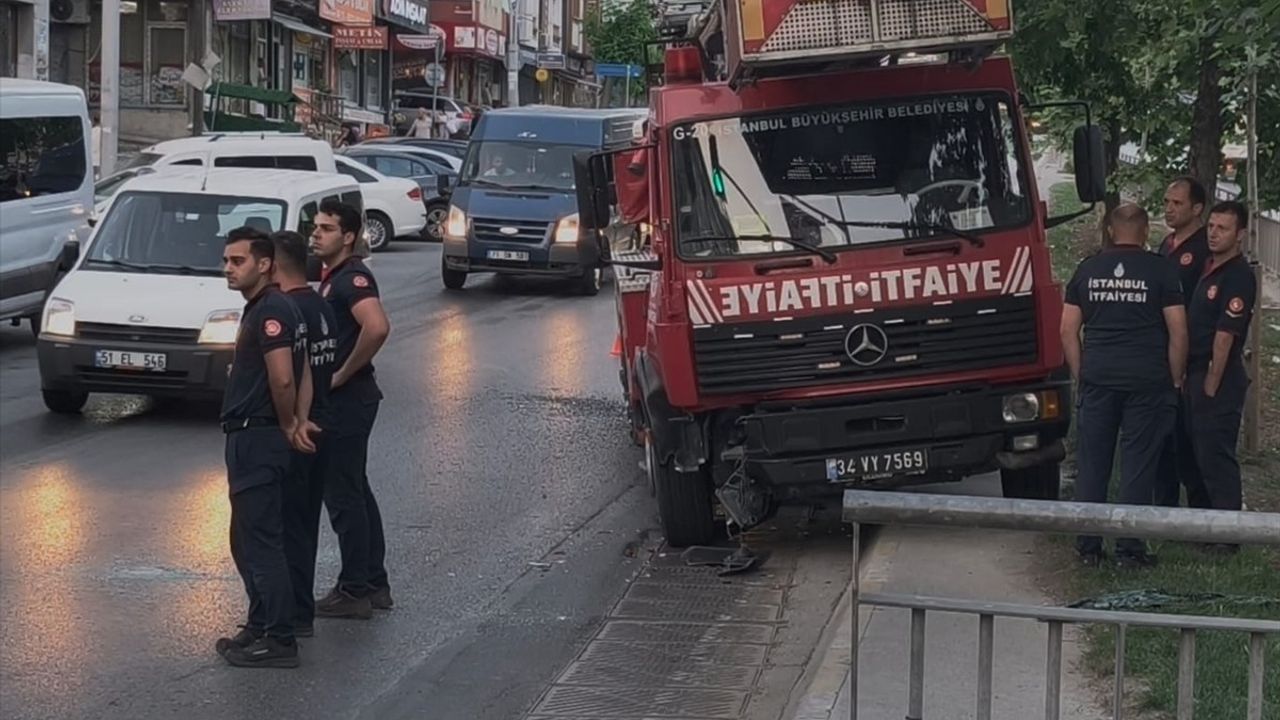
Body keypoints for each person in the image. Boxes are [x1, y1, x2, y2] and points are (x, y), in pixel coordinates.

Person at [1060, 203, 1187, 568]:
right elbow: (1178, 331)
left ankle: (1088, 548)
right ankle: (1129, 551)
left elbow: (1067, 330)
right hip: (1147, 382)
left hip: (1099, 379)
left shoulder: (1088, 270)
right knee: (1137, 464)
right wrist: (1175, 377)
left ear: (1111, 231)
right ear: (1146, 231)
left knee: (1093, 463)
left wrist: (1082, 373)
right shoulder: (1161, 271)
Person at [216, 226, 308, 668]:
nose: (228, 269)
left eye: (238, 261)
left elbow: (285, 376)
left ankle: (280, 639)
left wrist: (290, 422)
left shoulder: (271, 310)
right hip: (250, 435)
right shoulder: (266, 308)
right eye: (227, 261)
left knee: (261, 542)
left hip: (257, 437)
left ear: (264, 264)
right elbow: (302, 372)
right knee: (244, 539)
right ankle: (259, 623)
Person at [309, 200, 392, 618]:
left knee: (343, 495)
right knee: (356, 490)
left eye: (326, 228)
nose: (316, 233)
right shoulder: (334, 278)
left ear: (348, 236)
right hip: (354, 401)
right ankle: (373, 582)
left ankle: (354, 589)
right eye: (315, 226)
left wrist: (341, 373)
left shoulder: (351, 279)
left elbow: (376, 327)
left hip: (348, 401)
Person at [270, 230, 338, 637]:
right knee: (305, 525)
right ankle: (301, 608)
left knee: (285, 526)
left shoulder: (289, 311)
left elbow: (290, 376)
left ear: (274, 265)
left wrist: (289, 421)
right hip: (324, 419)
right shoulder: (321, 305)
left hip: (300, 427)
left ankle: (291, 613)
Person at [1184, 201, 1256, 551]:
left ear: (1239, 235)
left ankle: (1228, 538)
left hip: (1219, 376)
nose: (1213, 233)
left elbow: (1225, 335)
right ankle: (1204, 530)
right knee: (1195, 454)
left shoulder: (1238, 274)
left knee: (1216, 457)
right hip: (1196, 372)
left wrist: (1211, 383)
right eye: (1211, 226)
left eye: (1222, 228)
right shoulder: (1209, 266)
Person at [1153, 176, 1214, 508]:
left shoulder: (1205, 248)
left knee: (1193, 442)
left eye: (1177, 203)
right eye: (1166, 202)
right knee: (1165, 438)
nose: (1169, 209)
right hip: (1163, 356)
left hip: (1193, 358)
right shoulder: (1166, 245)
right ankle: (1163, 509)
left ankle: (1202, 514)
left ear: (1197, 208)